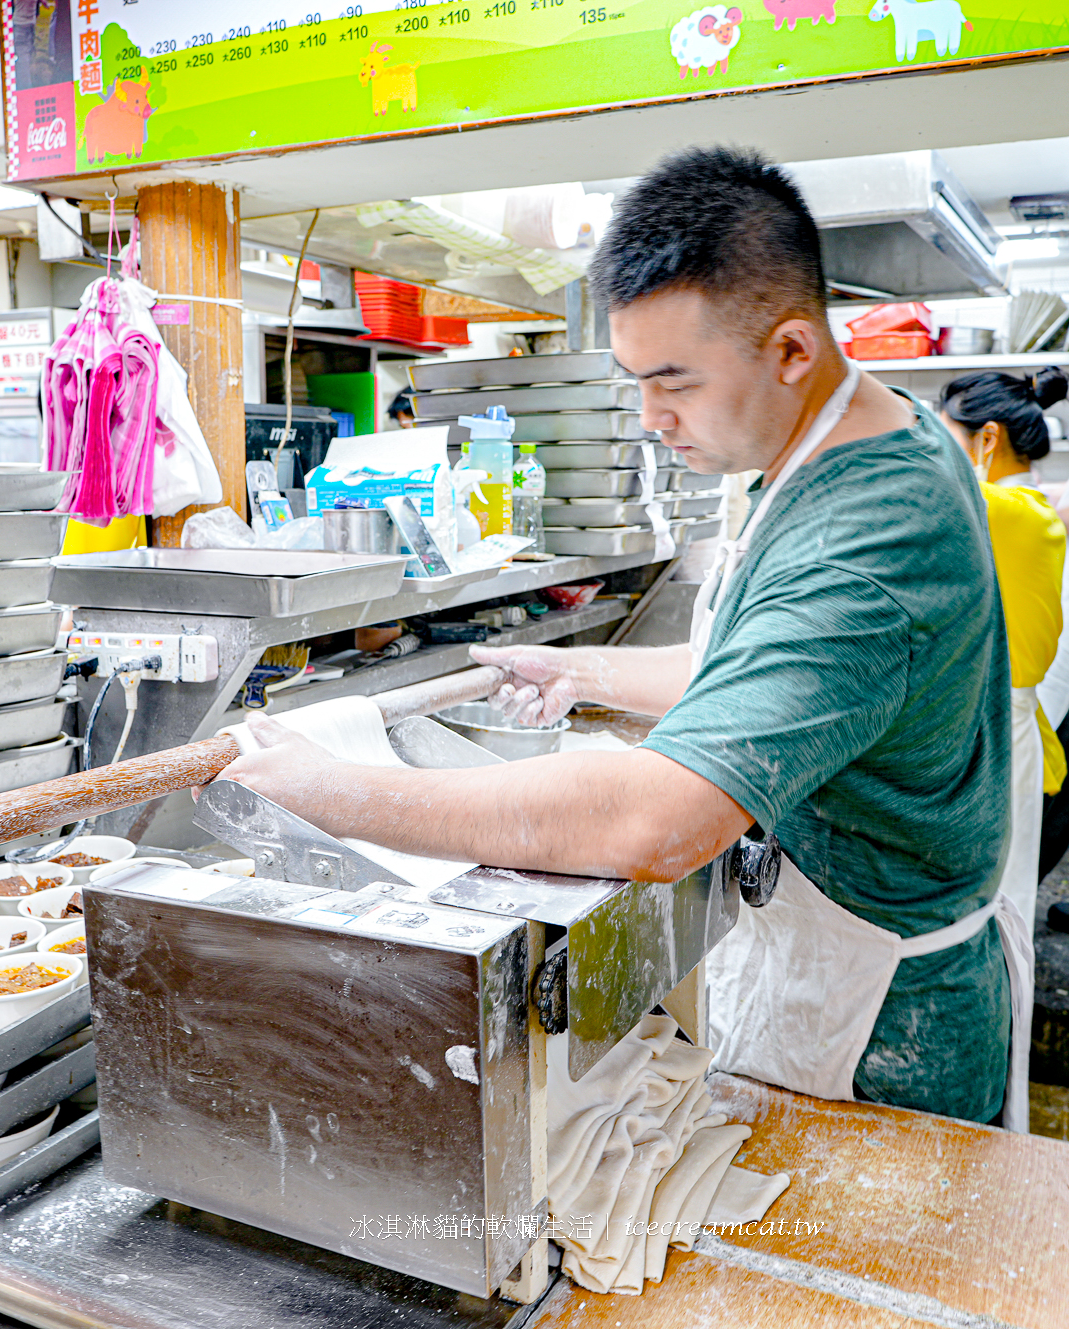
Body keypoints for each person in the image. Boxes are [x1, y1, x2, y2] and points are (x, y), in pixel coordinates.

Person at [219, 146, 1028, 1129]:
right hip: (843, 955)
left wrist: (340, 794)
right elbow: (747, 666)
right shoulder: (837, 435)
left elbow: (655, 821)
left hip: (878, 1021)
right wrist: (577, 667)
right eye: (634, 380)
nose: (651, 419)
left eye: (675, 382)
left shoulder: (868, 543)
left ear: (789, 351)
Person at [937, 370, 1068, 911]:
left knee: (989, 913)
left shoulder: (1007, 512)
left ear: (987, 439)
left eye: (944, 441)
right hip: (995, 734)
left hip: (994, 742)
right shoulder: (1023, 511)